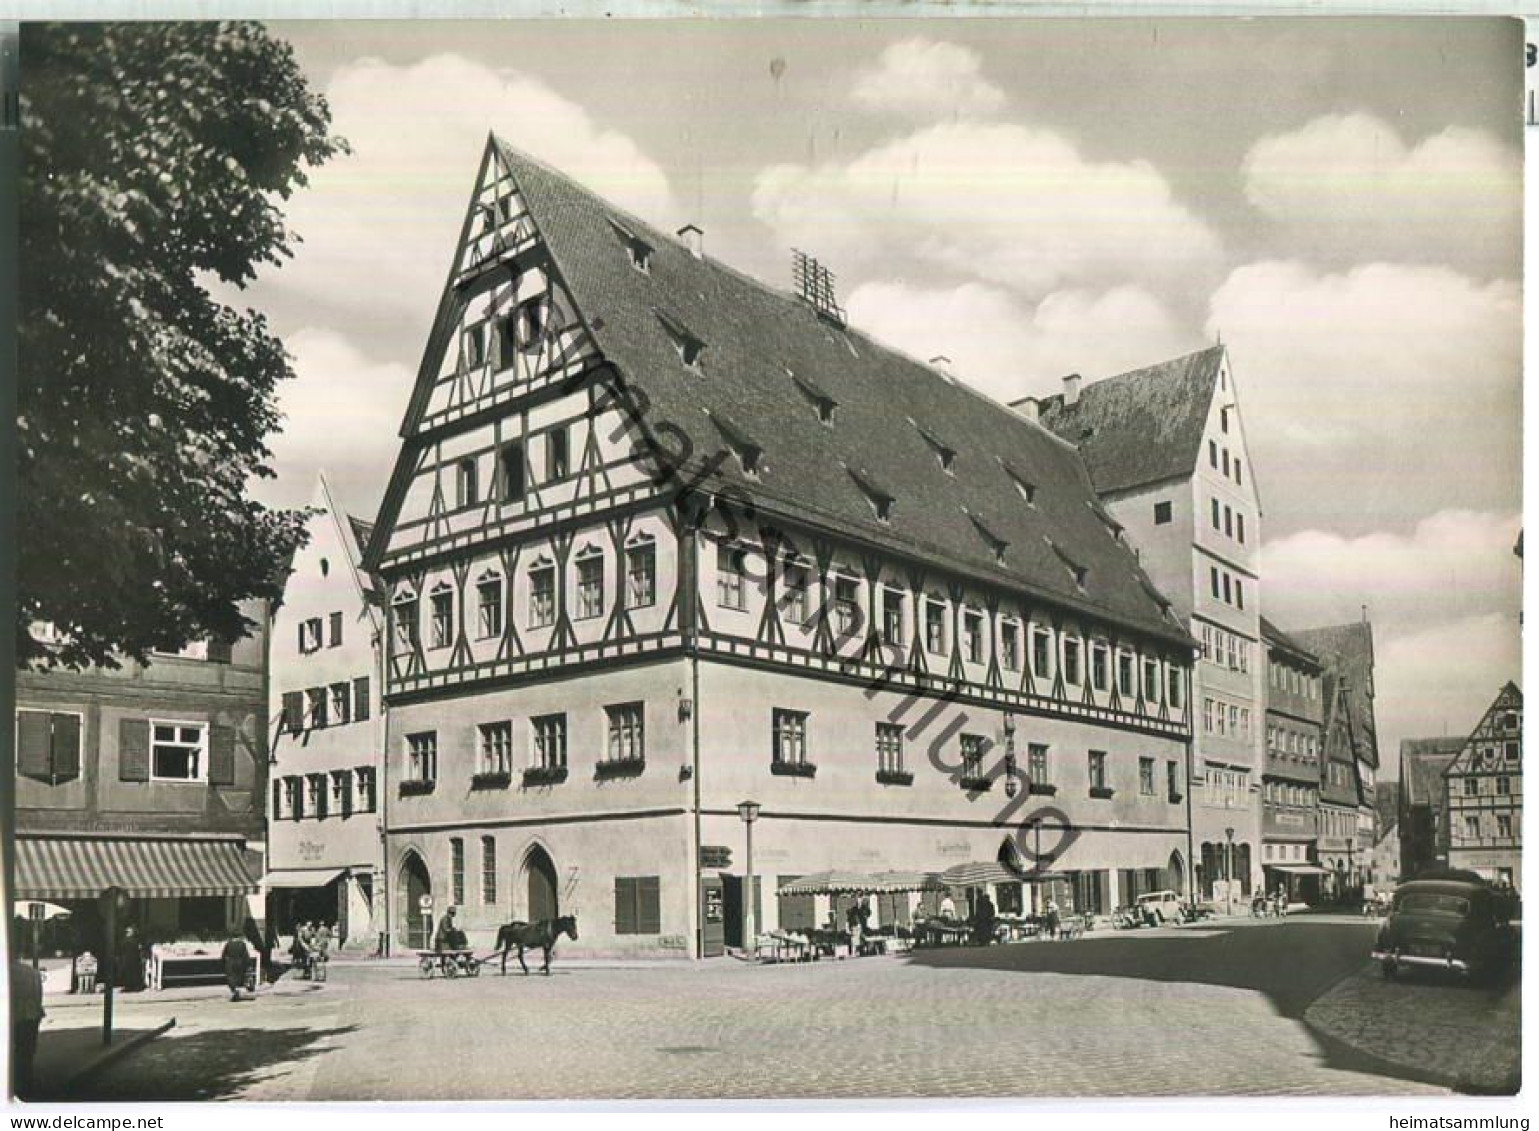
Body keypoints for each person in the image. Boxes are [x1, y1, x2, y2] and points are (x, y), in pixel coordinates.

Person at [10, 958, 45, 1097]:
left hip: (12, 1015)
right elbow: (39, 996)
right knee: (26, 1051)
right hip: (31, 1016)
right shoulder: (33, 972)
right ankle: (25, 1082)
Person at [116, 925, 146, 992]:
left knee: (132, 973)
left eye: (129, 932)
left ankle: (132, 987)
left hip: (132, 958)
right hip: (128, 958)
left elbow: (139, 949)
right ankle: (130, 987)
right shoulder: (126, 940)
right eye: (127, 932)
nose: (128, 933)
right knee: (129, 973)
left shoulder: (133, 940)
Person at [221, 936, 252, 1001]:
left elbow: (223, 955)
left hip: (230, 962)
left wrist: (224, 962)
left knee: (231, 977)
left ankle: (234, 991)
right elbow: (245, 955)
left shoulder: (228, 944)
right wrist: (248, 964)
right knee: (238, 977)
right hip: (240, 962)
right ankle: (238, 991)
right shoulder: (242, 944)